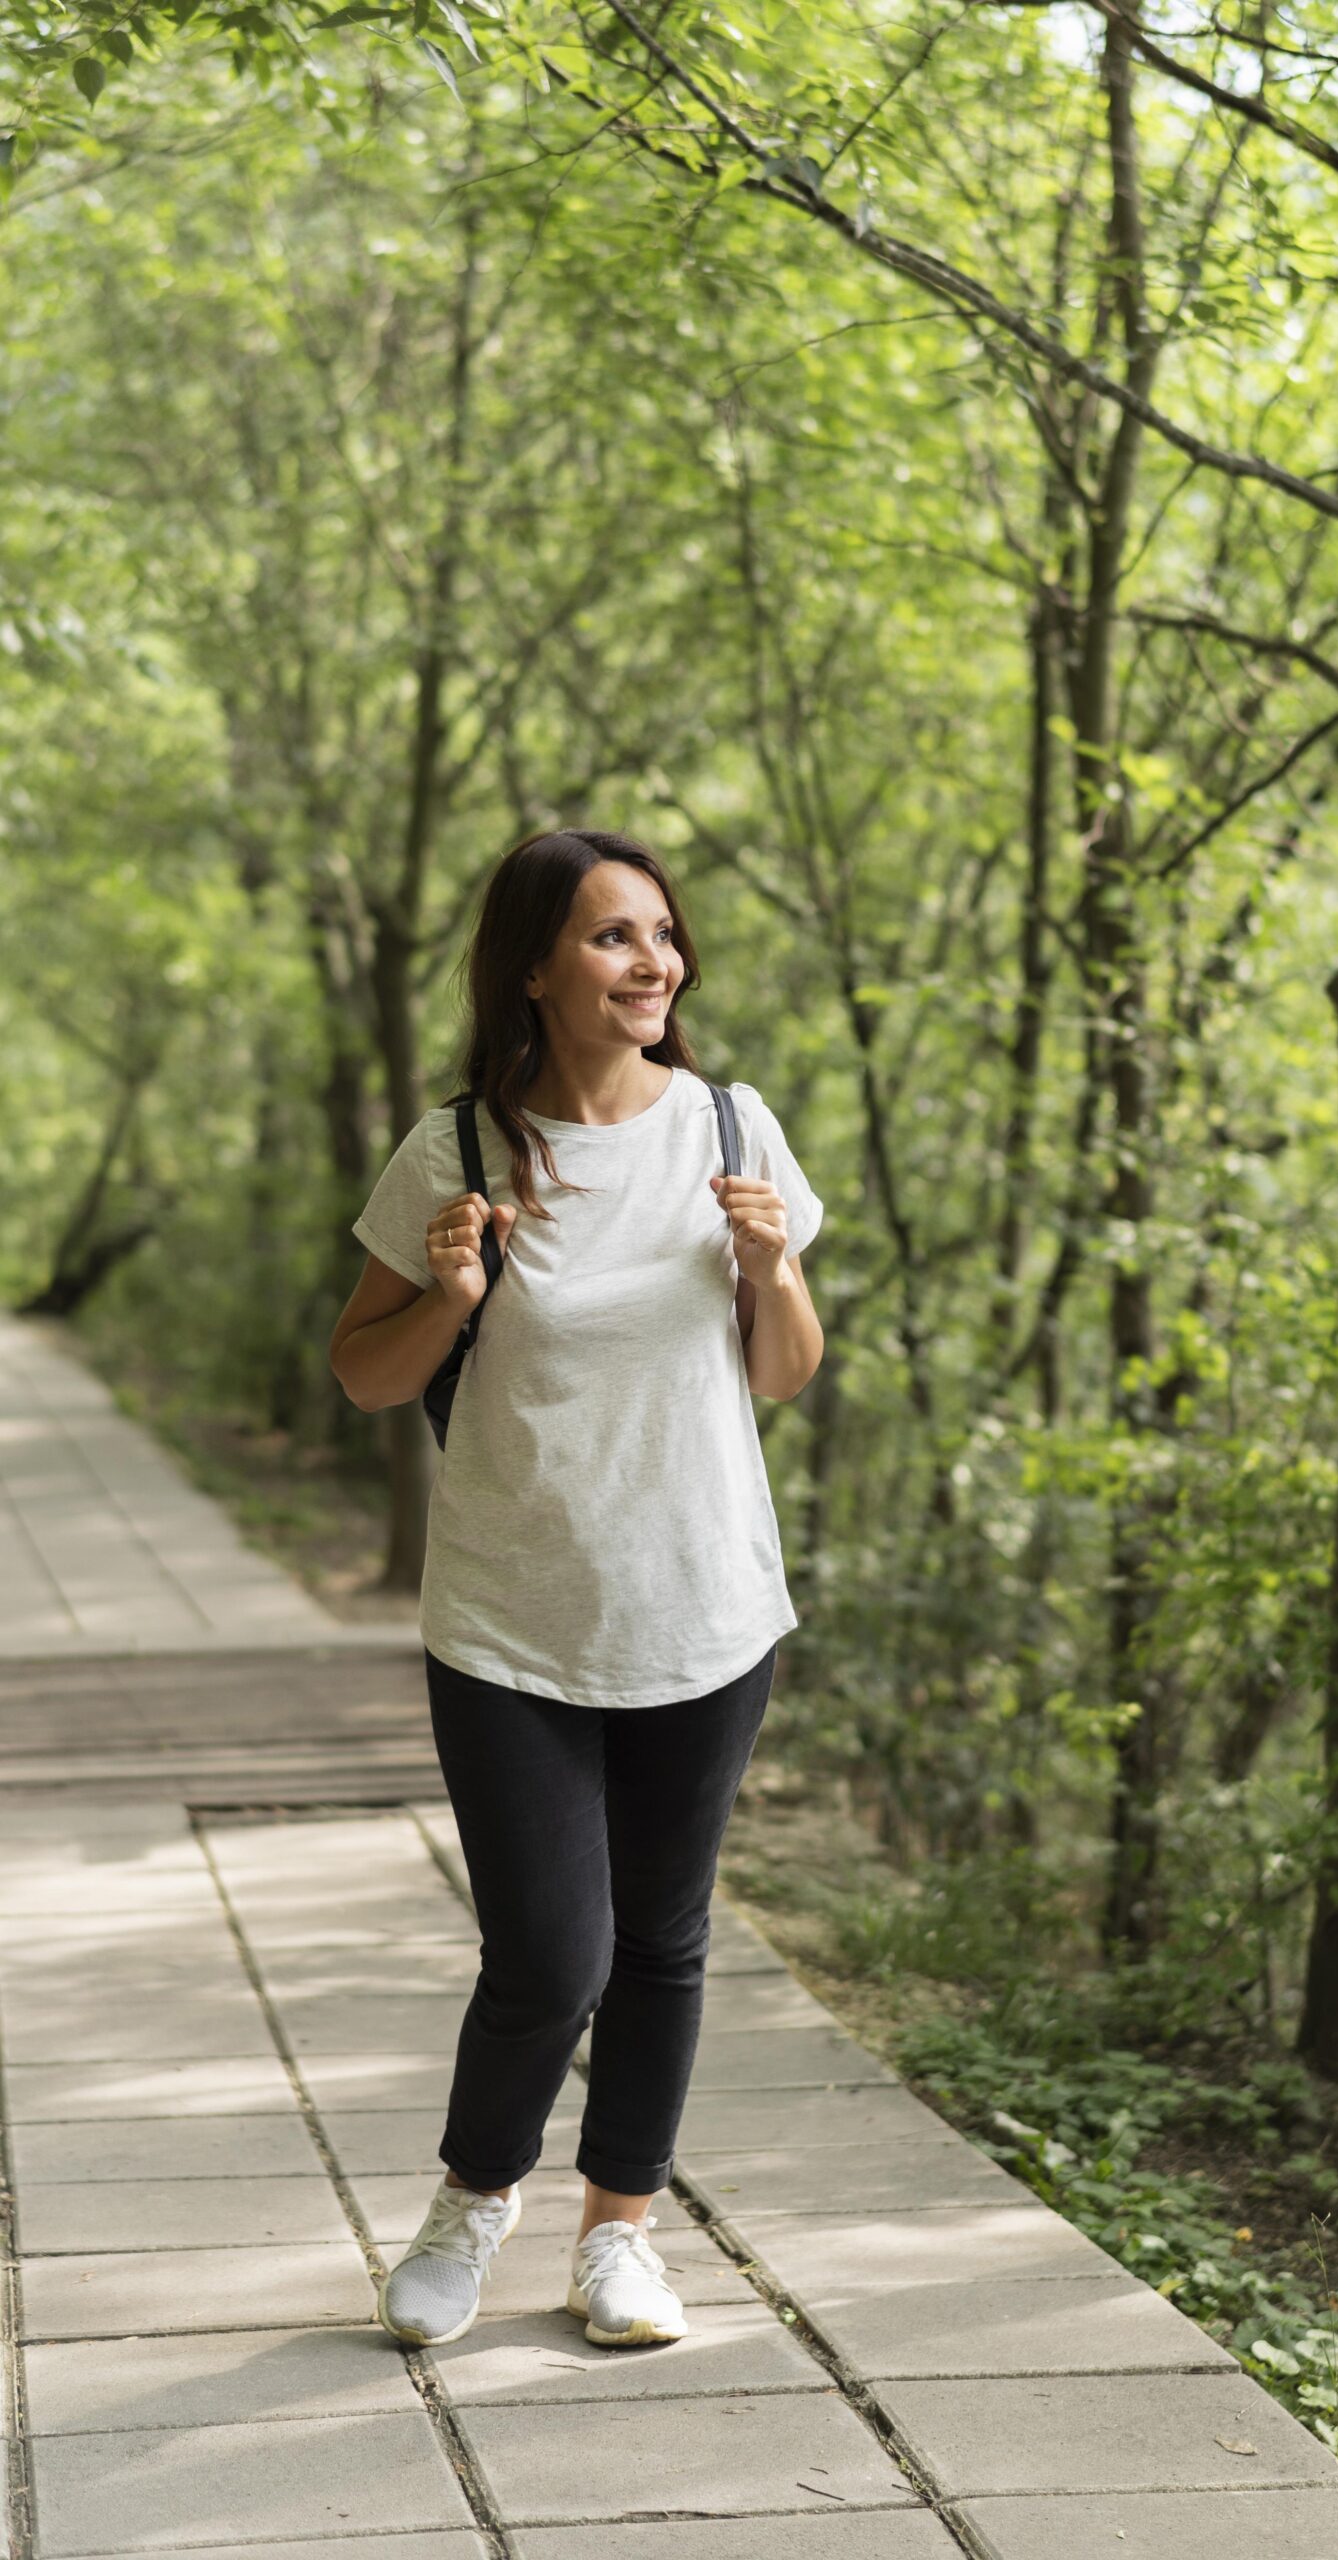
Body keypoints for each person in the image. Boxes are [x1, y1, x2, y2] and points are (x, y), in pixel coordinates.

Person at [329, 825, 825, 2350]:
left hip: (704, 1605)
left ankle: (623, 2235)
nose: (654, 963)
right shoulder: (458, 1151)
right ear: (536, 967)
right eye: (614, 938)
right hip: (507, 1616)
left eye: (663, 936)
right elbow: (363, 1372)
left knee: (664, 1942)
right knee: (552, 1951)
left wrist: (775, 1275)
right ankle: (475, 2206)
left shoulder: (735, 1131)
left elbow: (783, 1380)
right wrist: (459, 1292)